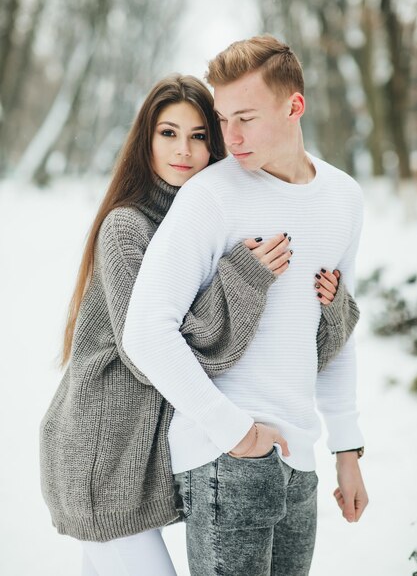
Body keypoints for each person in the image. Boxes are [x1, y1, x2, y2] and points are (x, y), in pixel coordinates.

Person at [40, 73, 358, 576]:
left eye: (198, 135)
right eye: (168, 133)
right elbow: (148, 352)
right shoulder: (128, 227)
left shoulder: (195, 218)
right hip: (102, 458)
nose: (183, 151)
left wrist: (333, 307)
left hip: (140, 464)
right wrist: (242, 280)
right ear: (145, 140)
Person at [122, 36, 368, 576]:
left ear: (294, 106)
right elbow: (144, 331)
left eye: (246, 118)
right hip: (224, 459)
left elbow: (334, 330)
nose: (229, 137)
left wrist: (346, 450)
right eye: (223, 118)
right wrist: (235, 432)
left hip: (299, 460)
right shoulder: (210, 194)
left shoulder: (344, 198)